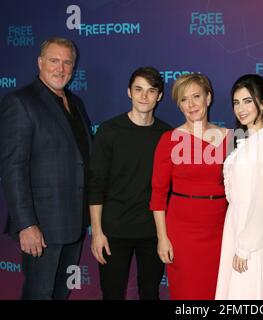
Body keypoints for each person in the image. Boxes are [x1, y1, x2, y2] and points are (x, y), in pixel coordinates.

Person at [0, 37, 92, 299]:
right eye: (54, 61)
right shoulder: (20, 102)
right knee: (38, 294)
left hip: (74, 222)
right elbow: (13, 168)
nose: (60, 68)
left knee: (60, 292)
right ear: (40, 62)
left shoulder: (75, 103)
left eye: (67, 63)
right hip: (41, 226)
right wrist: (26, 224)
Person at [88, 67, 171, 300]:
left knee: (150, 293)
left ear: (160, 96)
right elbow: (96, 184)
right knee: (112, 294)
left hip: (152, 231)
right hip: (114, 230)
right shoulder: (109, 130)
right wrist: (97, 232)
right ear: (129, 92)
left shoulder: (167, 134)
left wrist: (165, 234)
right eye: (138, 89)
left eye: (151, 91)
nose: (144, 96)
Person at [150, 73, 229, 300]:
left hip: (221, 230)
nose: (191, 104)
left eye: (196, 96)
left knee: (219, 292)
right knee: (188, 292)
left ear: (209, 98)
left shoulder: (230, 138)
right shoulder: (169, 139)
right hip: (182, 232)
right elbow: (158, 195)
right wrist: (162, 237)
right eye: (184, 99)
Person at [215, 74, 263, 299]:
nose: (241, 108)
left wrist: (245, 247)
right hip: (236, 226)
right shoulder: (245, 141)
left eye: (248, 101)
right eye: (236, 102)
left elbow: (262, 201)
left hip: (255, 235)